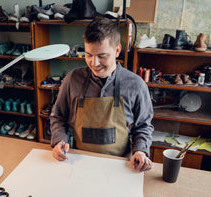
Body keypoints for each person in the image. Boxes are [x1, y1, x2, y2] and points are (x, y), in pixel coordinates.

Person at [50, 16, 154, 172]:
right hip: (78, 163)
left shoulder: (136, 85)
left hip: (120, 166)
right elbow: (58, 117)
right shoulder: (72, 80)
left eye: (102, 56)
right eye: (88, 55)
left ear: (117, 50)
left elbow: (143, 126)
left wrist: (140, 150)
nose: (94, 63)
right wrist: (59, 141)